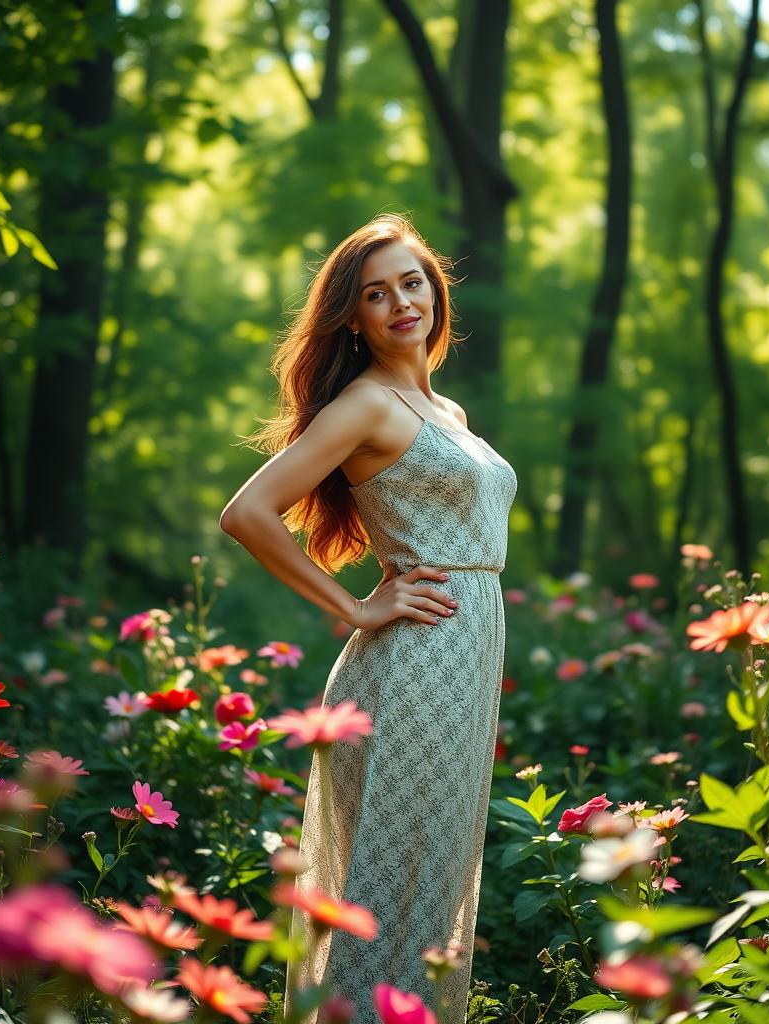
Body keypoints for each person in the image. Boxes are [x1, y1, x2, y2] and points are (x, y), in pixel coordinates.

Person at [219, 213, 517, 1024]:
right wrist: (355, 605)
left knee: (433, 888)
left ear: (435, 293)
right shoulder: (366, 406)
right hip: (411, 669)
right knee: (393, 891)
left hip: (463, 664)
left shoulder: (445, 411)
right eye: (375, 295)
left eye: (411, 284)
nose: (399, 304)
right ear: (353, 317)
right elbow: (247, 512)